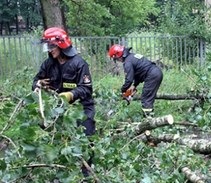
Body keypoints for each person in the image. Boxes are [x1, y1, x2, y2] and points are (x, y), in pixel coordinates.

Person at [32, 27, 96, 175]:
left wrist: (70, 95)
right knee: (57, 137)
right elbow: (36, 80)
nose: (49, 50)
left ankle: (87, 173)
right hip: (59, 108)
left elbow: (86, 89)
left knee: (86, 139)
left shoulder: (79, 64)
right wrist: (38, 84)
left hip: (81, 108)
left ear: (61, 45)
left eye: (51, 46)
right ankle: (63, 170)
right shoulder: (49, 64)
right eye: (47, 46)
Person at [108, 44, 163, 118]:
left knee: (146, 98)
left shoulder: (128, 62)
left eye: (117, 59)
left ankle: (149, 120)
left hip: (152, 75)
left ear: (118, 55)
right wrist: (134, 85)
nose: (118, 61)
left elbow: (129, 80)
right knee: (148, 97)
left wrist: (122, 91)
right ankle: (149, 118)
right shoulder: (132, 57)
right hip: (155, 72)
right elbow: (139, 73)